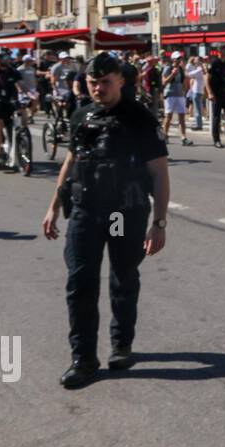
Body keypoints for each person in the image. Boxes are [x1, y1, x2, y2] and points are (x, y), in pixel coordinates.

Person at [41, 53, 170, 389]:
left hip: (119, 214)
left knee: (122, 276)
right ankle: (83, 359)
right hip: (86, 211)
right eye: (92, 82)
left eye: (105, 82)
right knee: (80, 282)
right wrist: (54, 205)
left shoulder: (139, 118)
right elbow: (70, 161)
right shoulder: (81, 115)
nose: (98, 88)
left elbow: (158, 173)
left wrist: (158, 224)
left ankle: (121, 344)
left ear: (120, 81)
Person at [161, 51, 193, 146]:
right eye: (177, 58)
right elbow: (164, 82)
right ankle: (165, 135)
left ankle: (183, 137)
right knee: (168, 116)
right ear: (173, 59)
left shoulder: (181, 69)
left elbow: (183, 81)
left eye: (180, 58)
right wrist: (172, 75)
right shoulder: (168, 68)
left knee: (182, 117)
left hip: (179, 95)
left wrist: (184, 91)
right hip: (170, 94)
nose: (179, 60)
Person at [185, 55, 207, 131]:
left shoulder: (199, 69)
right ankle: (198, 123)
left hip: (197, 91)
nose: (194, 61)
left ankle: (199, 125)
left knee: (197, 109)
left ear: (200, 61)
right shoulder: (199, 68)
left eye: (196, 60)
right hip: (197, 90)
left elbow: (189, 74)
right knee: (197, 108)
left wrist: (186, 70)